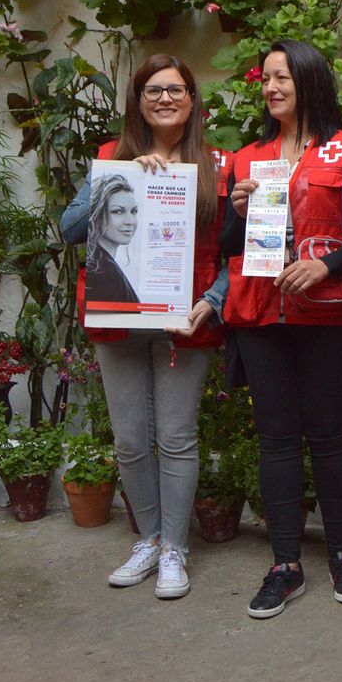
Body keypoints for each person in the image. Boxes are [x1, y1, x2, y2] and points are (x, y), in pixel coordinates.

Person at [61, 53, 229, 601]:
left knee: (177, 438)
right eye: (153, 90)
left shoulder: (216, 164)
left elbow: (236, 252)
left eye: (175, 89)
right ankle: (149, 540)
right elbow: (69, 229)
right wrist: (124, 179)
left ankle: (176, 549)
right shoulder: (113, 157)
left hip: (186, 319)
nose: (164, 98)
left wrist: (215, 299)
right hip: (120, 317)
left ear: (191, 99)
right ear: (137, 101)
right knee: (131, 440)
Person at [223, 39, 342, 619]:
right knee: (275, 437)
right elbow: (228, 250)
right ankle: (285, 563)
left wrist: (326, 264)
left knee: (330, 435)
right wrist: (234, 216)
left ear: (309, 82)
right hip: (260, 313)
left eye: (283, 77)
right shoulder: (246, 157)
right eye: (266, 79)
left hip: (326, 314)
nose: (272, 88)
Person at [83, 174, 141, 305]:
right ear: (97, 215)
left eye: (134, 211)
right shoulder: (104, 272)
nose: (130, 221)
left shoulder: (103, 265)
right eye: (118, 212)